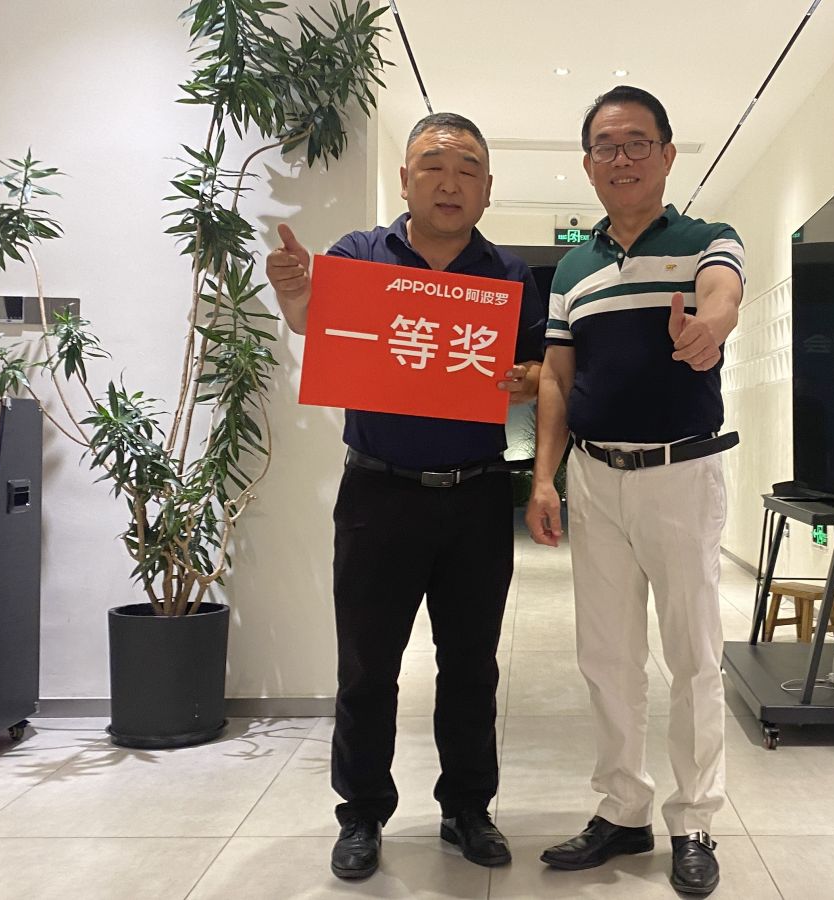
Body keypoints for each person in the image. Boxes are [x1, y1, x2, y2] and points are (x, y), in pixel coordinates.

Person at [266, 112, 545, 881]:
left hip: (477, 495)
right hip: (377, 493)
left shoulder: (509, 275)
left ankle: (468, 809)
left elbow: (535, 375)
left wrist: (523, 380)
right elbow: (316, 324)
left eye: (467, 169)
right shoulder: (360, 257)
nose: (450, 183)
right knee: (367, 667)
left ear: (487, 188)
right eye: (434, 165)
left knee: (471, 666)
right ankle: (361, 814)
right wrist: (296, 296)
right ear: (405, 179)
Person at [526, 85, 743, 896]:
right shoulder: (574, 269)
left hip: (681, 473)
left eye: (637, 142)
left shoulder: (705, 239)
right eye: (606, 146)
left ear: (667, 154)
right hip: (595, 476)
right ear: (588, 164)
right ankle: (623, 809)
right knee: (606, 656)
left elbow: (723, 294)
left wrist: (708, 330)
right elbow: (557, 376)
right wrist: (544, 478)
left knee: (692, 655)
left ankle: (695, 819)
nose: (621, 158)